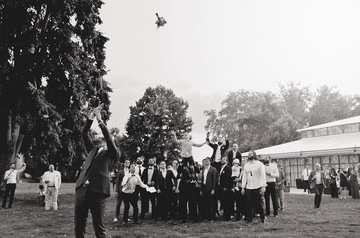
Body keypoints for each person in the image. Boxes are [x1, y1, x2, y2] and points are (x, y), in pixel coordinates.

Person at [74, 105, 121, 238]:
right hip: (82, 189)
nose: (103, 141)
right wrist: (91, 118)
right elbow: (84, 134)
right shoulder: (94, 150)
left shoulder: (114, 154)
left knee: (98, 226)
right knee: (79, 225)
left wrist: (100, 120)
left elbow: (109, 139)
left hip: (98, 191)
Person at [241, 150, 266, 224]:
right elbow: (244, 177)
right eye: (248, 154)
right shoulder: (246, 165)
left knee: (259, 203)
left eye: (251, 154)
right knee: (248, 204)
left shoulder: (259, 164)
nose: (249, 155)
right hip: (249, 187)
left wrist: (263, 186)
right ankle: (249, 219)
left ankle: (262, 218)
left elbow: (263, 176)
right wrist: (243, 187)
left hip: (257, 186)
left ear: (254, 155)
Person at [200, 157, 218, 222]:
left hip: (210, 188)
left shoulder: (213, 169)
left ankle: (212, 218)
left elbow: (215, 180)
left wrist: (213, 189)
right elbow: (202, 180)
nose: (206, 162)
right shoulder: (204, 169)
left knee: (211, 203)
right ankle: (207, 217)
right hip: (204, 187)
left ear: (210, 162)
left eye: (208, 161)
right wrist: (201, 189)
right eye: (206, 161)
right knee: (206, 203)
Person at [218, 156, 233, 221]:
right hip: (221, 187)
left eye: (224, 159)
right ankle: (225, 215)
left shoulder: (228, 168)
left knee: (227, 202)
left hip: (226, 188)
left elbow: (228, 178)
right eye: (222, 159)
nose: (222, 160)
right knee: (223, 202)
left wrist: (226, 187)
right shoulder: (221, 168)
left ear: (226, 161)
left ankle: (228, 216)